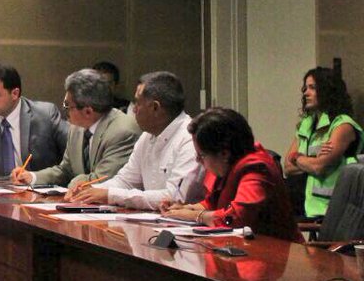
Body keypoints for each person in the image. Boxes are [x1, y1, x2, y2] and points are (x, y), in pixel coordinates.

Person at [69, 71, 205, 208]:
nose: (133, 110)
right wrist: (91, 190)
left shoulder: (190, 139)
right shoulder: (147, 136)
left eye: (138, 103)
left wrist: (110, 195)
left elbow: (175, 197)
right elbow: (126, 181)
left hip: (181, 220)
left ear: (155, 107)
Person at [165, 107, 301, 241]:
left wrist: (196, 216)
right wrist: (184, 208)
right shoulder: (228, 165)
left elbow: (236, 218)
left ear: (224, 153)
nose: (198, 161)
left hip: (275, 250)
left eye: (201, 155)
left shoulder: (257, 168)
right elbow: (213, 202)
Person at [11, 69, 139, 189]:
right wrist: (32, 177)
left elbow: (102, 180)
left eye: (68, 106)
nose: (64, 110)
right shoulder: (76, 128)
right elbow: (66, 170)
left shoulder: (123, 131)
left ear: (88, 111)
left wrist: (73, 184)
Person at [284, 67, 362, 218]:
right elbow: (287, 167)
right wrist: (309, 160)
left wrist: (297, 157)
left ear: (327, 90)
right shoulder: (306, 124)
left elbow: (319, 167)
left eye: (312, 88)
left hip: (333, 209)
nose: (306, 93)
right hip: (304, 205)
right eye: (305, 88)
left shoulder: (343, 125)